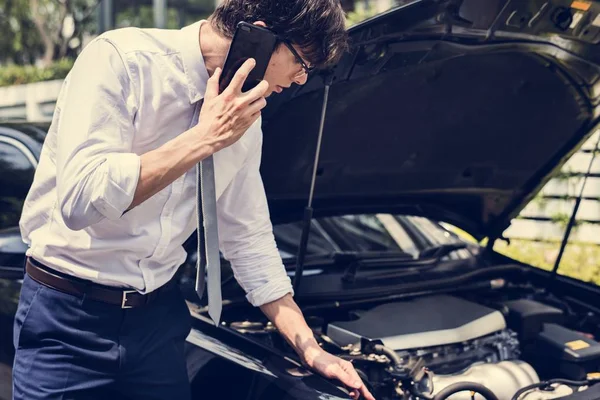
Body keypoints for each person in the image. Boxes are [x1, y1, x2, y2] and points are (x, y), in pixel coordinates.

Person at [13, 0, 375, 399]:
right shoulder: (120, 60)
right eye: (303, 63)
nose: (302, 80)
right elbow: (82, 200)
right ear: (261, 35)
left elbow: (249, 239)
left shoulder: (244, 121)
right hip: (66, 319)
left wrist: (310, 348)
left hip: (158, 322)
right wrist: (203, 139)